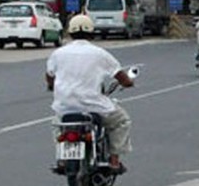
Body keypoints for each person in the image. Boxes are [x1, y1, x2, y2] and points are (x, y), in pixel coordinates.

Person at [46, 14, 134, 173]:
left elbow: (50, 75)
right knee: (122, 121)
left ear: (70, 32)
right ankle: (114, 161)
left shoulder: (58, 53)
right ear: (91, 32)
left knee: (58, 125)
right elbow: (121, 76)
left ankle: (62, 159)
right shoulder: (100, 53)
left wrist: (52, 86)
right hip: (95, 107)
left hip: (65, 106)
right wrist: (128, 83)